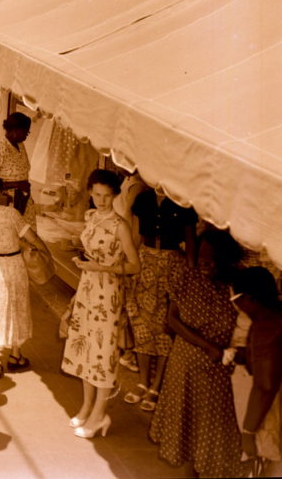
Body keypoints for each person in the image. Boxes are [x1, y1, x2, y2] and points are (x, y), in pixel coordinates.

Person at [149, 227, 245, 478]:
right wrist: (207, 346)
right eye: (202, 257)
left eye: (212, 259)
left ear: (227, 259)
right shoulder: (186, 277)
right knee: (188, 428)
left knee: (212, 432)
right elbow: (172, 320)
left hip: (219, 374)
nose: (205, 263)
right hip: (186, 367)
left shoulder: (238, 285)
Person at [60, 169, 141, 438]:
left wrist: (102, 267)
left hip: (108, 294)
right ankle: (86, 407)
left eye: (107, 196)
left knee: (103, 352)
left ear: (115, 196)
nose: (101, 201)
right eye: (97, 195)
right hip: (87, 289)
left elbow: (134, 265)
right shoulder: (90, 216)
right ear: (90, 193)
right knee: (85, 349)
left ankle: (99, 414)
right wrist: (84, 262)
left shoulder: (121, 226)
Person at [0, 174, 51, 378]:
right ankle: (15, 355)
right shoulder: (11, 213)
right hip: (12, 265)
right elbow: (32, 237)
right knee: (15, 307)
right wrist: (45, 253)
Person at [122, 189, 198, 412]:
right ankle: (142, 382)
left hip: (172, 264)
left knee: (165, 325)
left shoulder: (183, 202)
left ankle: (156, 386)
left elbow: (191, 242)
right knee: (141, 324)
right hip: (145, 260)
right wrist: (130, 263)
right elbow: (135, 236)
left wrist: (192, 277)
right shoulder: (143, 199)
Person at [231, 266, 282, 475]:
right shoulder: (276, 314)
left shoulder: (266, 326)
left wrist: (248, 432)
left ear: (250, 299)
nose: (235, 304)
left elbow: (265, 386)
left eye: (236, 299)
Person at [0, 112, 34, 219]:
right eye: (25, 132)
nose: (27, 135)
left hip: (23, 200)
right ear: (15, 130)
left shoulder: (20, 145)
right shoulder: (1, 149)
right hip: (8, 201)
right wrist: (18, 184)